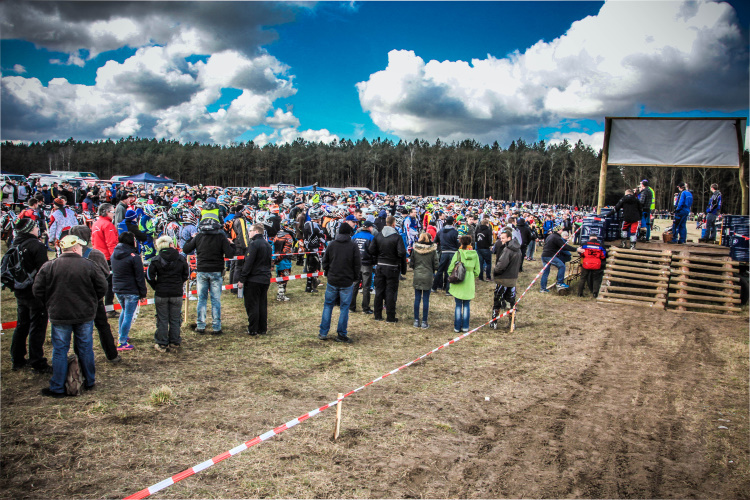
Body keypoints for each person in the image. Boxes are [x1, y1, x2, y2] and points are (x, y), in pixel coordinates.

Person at [33, 235, 107, 397]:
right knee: (85, 348)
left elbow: (38, 289)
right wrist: (91, 301)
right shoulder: (89, 265)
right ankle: (89, 381)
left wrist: (50, 303)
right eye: (80, 247)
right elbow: (102, 286)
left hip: (60, 314)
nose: (82, 249)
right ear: (74, 248)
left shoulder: (49, 266)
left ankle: (58, 387)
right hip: (83, 314)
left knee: (60, 350)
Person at [69, 225, 121, 364]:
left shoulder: (66, 254)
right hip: (93, 297)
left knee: (79, 329)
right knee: (102, 326)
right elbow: (105, 273)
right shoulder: (95, 254)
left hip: (75, 297)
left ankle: (81, 357)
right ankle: (112, 355)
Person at [9, 218, 52, 374]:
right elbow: (43, 270)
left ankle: (17, 358)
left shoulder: (15, 244)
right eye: (35, 227)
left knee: (22, 324)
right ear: (29, 229)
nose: (37, 229)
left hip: (20, 290)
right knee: (37, 326)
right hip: (35, 292)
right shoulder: (36, 245)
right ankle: (37, 361)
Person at [182, 217, 235, 335]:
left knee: (202, 299)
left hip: (202, 270)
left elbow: (186, 249)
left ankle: (200, 325)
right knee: (215, 300)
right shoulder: (221, 237)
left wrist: (191, 238)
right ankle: (216, 326)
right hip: (216, 271)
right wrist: (232, 244)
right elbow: (230, 254)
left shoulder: (199, 237)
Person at [318, 222, 361, 342]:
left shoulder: (332, 244)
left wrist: (327, 272)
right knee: (344, 308)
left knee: (328, 306)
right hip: (346, 281)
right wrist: (355, 277)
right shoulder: (353, 246)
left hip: (333, 279)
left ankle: (323, 332)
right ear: (349, 233)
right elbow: (357, 264)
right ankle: (341, 334)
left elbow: (325, 261)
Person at [146, 235, 190, 352]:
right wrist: (179, 283)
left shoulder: (155, 259)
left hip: (161, 292)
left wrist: (156, 286)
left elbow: (149, 276)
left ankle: (162, 343)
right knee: (175, 318)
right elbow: (186, 274)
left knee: (162, 318)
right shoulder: (181, 259)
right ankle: (174, 341)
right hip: (176, 292)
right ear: (171, 244)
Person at [111, 231, 148, 351]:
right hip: (131, 290)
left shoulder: (114, 254)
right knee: (128, 315)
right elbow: (139, 276)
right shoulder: (134, 257)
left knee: (124, 311)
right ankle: (122, 341)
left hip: (118, 289)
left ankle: (121, 335)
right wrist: (143, 293)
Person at [369, 215, 407, 323]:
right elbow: (401, 252)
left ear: (386, 223)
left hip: (380, 266)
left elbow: (371, 250)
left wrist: (378, 256)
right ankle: (390, 317)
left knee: (379, 291)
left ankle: (377, 315)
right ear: (394, 224)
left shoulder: (378, 236)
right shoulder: (397, 237)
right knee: (390, 292)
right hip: (392, 267)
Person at [238, 224, 272, 336]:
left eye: (250, 230)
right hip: (265, 278)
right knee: (262, 304)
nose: (249, 233)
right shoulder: (267, 244)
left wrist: (242, 279)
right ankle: (262, 328)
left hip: (254, 278)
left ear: (256, 231)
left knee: (252, 305)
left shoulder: (253, 244)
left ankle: (253, 329)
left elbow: (248, 263)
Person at [91, 203, 119, 316]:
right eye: (113, 212)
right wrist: (115, 258)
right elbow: (111, 243)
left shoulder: (96, 223)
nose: (114, 214)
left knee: (98, 283)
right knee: (109, 284)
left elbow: (93, 241)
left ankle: (100, 307)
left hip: (97, 256)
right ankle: (109, 308)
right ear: (107, 212)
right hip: (107, 258)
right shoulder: (108, 225)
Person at [447, 235, 480, 333]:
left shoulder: (458, 254)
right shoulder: (475, 254)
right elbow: (477, 271)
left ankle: (457, 327)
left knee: (458, 305)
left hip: (458, 281)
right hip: (469, 282)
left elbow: (450, 268)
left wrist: (452, 275)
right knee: (466, 305)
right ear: (470, 242)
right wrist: (471, 275)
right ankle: (465, 326)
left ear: (461, 242)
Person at [491, 229, 521, 330]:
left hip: (503, 279)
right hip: (513, 278)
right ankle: (512, 323)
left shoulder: (508, 250)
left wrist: (495, 271)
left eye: (503, 238)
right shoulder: (518, 249)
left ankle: (494, 322)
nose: (501, 240)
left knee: (497, 301)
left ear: (509, 238)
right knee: (511, 302)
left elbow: (501, 265)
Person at [410, 232, 439, 329]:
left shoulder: (415, 250)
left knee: (417, 299)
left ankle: (416, 320)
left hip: (417, 275)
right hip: (428, 275)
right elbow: (436, 264)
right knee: (426, 299)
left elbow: (411, 263)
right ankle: (424, 321)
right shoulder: (432, 250)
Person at [539, 225, 577, 292]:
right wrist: (576, 249)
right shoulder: (557, 237)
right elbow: (564, 246)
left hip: (544, 255)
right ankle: (560, 283)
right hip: (550, 256)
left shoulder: (550, 236)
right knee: (562, 266)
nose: (562, 231)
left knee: (545, 272)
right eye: (561, 230)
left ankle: (543, 288)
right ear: (558, 231)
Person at [351, 221, 376, 314]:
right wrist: (373, 263)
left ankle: (351, 307)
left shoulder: (354, 236)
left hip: (356, 264)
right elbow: (373, 252)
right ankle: (365, 308)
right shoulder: (371, 237)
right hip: (366, 264)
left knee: (354, 285)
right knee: (366, 287)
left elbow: (350, 250)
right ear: (369, 228)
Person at [432, 216, 459, 294]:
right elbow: (457, 243)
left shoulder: (440, 231)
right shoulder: (455, 232)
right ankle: (448, 290)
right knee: (450, 271)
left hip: (443, 252)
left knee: (440, 270)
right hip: (453, 252)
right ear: (453, 222)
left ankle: (434, 287)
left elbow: (435, 241)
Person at [272, 220, 294, 301]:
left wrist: (275, 259)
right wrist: (279, 258)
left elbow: (273, 247)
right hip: (284, 259)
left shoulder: (277, 235)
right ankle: (281, 295)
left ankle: (281, 292)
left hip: (278, 258)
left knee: (279, 275)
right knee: (284, 276)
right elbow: (286, 250)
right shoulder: (288, 237)